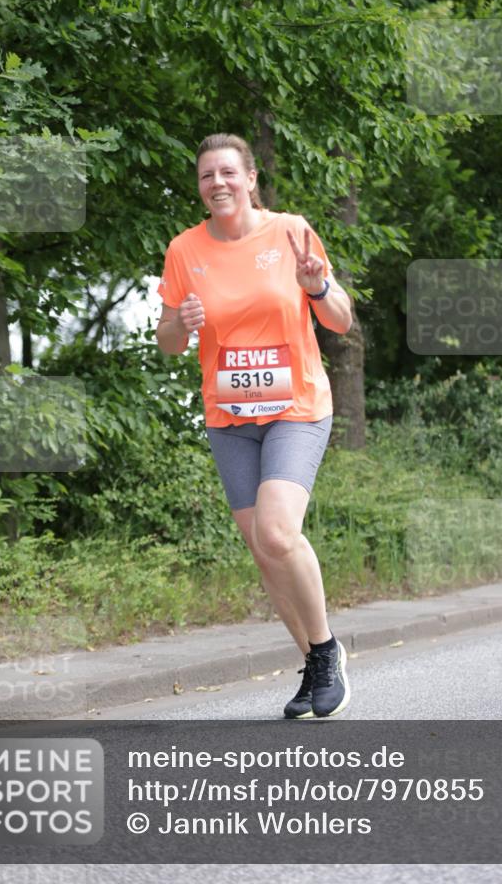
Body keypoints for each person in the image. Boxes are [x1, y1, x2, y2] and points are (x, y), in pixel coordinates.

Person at [156, 132, 353, 719]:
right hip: (229, 418)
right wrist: (183, 323)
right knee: (264, 553)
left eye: (226, 173)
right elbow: (167, 342)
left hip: (296, 407)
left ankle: (326, 652)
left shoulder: (291, 231)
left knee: (276, 533)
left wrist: (316, 285)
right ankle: (317, 665)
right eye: (205, 176)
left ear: (249, 179)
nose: (216, 183)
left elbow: (340, 320)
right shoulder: (184, 250)